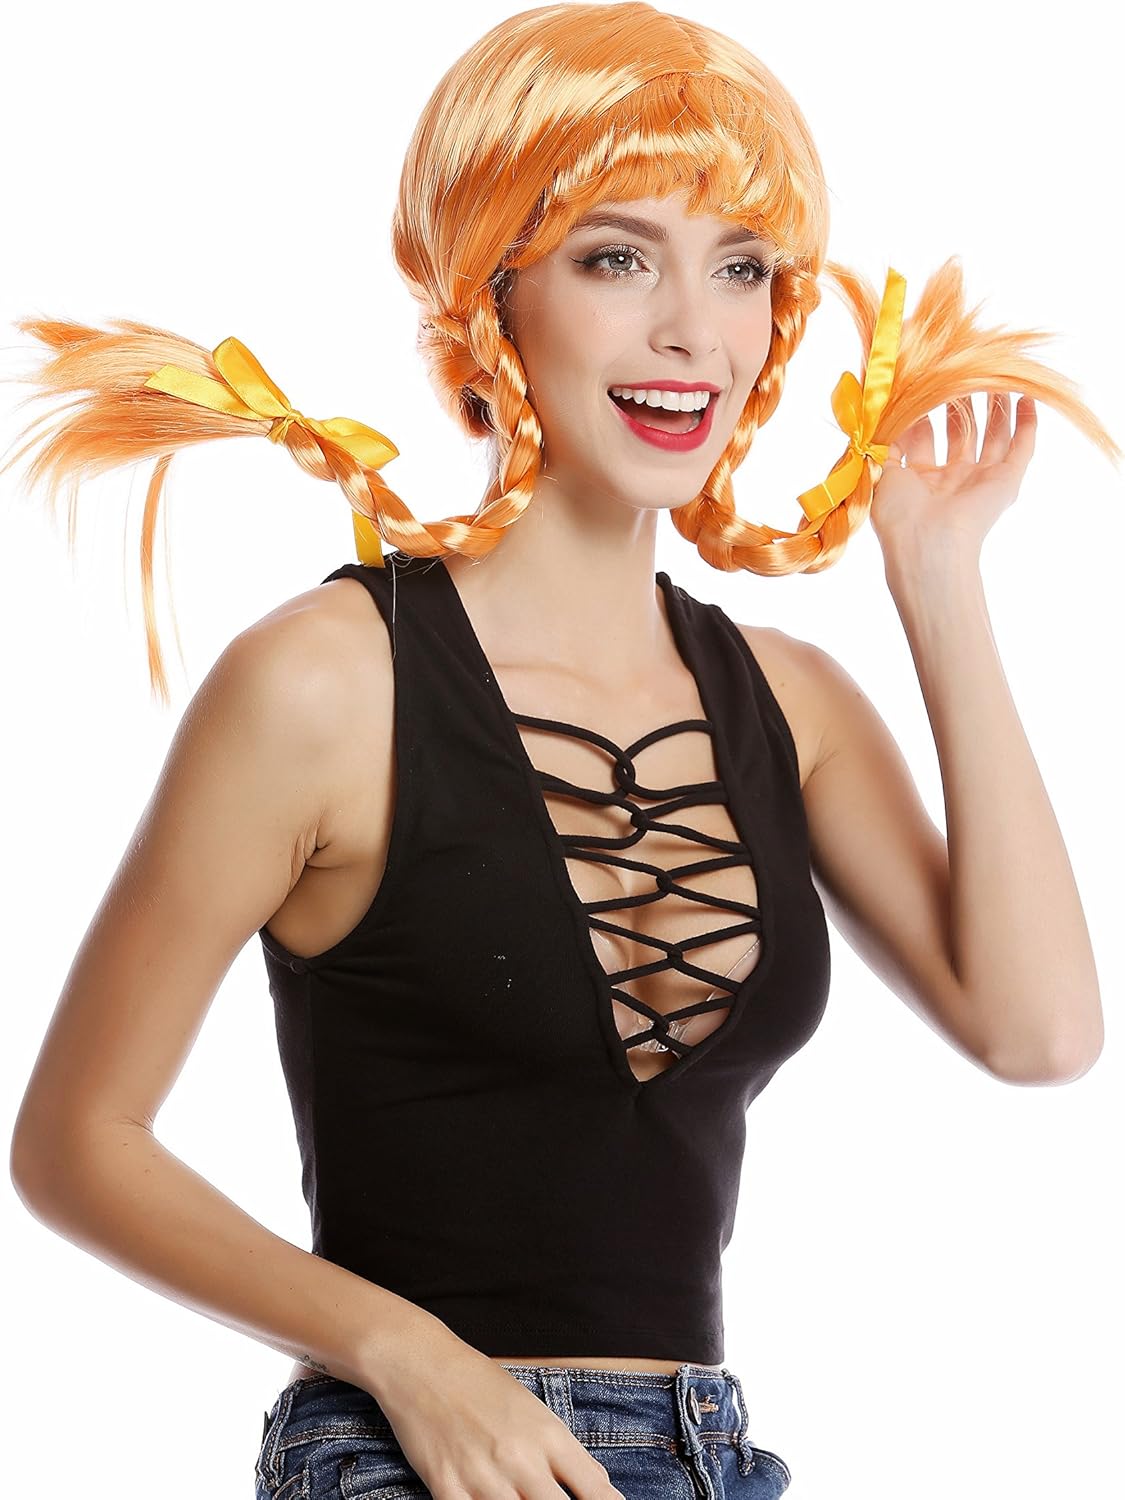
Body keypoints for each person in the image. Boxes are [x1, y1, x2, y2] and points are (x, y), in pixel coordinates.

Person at [4, 4, 1116, 1498]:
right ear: (492, 298)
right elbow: (76, 1141)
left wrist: (938, 576)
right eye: (616, 258)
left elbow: (1040, 1035)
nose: (693, 329)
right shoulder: (325, 682)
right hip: (414, 1455)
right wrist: (405, 1357)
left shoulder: (790, 703)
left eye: (741, 266)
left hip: (711, 1455)